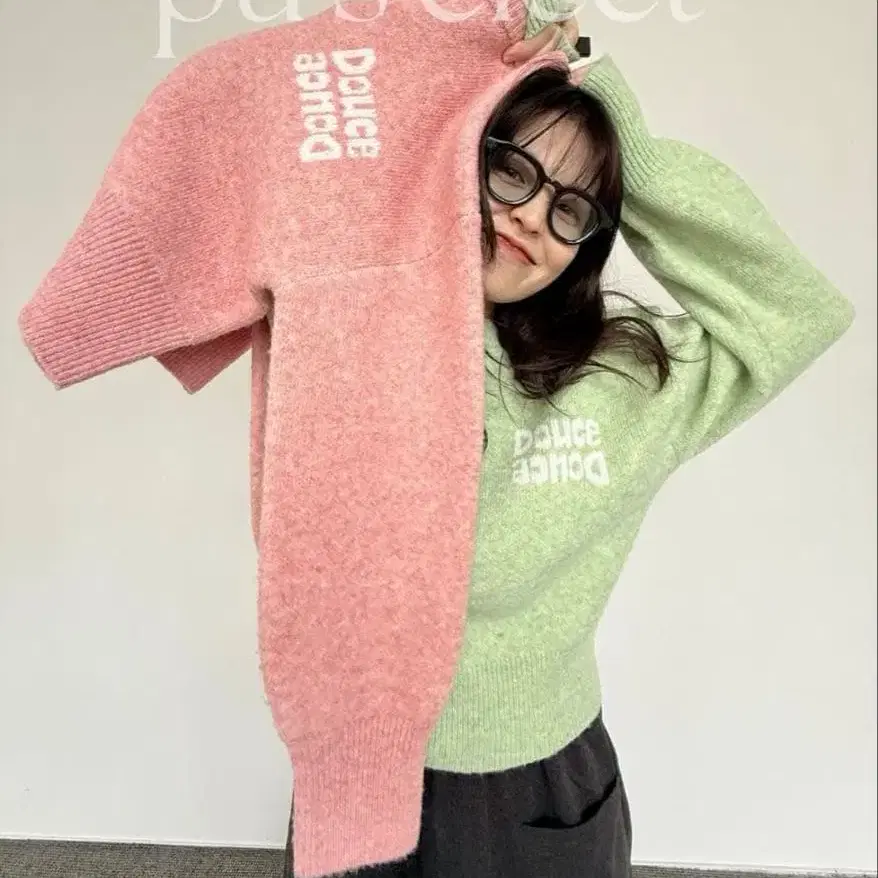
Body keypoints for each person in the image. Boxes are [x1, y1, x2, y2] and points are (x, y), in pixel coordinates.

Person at [277, 15, 855, 878]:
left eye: (572, 207)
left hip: (536, 779)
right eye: (512, 169)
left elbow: (798, 312)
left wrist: (621, 137)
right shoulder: (348, 329)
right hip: (356, 768)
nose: (531, 217)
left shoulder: (625, 377)